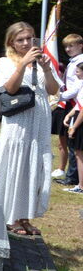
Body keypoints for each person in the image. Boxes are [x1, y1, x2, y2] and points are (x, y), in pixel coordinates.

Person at [0, 22, 59, 237]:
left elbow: (53, 90)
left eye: (29, 38)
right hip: (19, 121)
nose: (26, 43)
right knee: (16, 164)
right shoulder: (5, 61)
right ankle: (9, 217)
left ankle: (24, 216)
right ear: (12, 42)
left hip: (40, 119)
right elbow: (10, 88)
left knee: (34, 165)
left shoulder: (40, 61)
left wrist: (47, 68)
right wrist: (22, 64)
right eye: (20, 40)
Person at [54, 34, 83, 185]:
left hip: (76, 103)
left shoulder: (81, 62)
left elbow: (78, 86)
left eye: (71, 46)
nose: (67, 49)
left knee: (73, 142)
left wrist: (59, 96)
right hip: (71, 103)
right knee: (70, 141)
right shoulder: (73, 62)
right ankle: (72, 175)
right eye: (66, 46)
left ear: (80, 46)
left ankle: (73, 177)